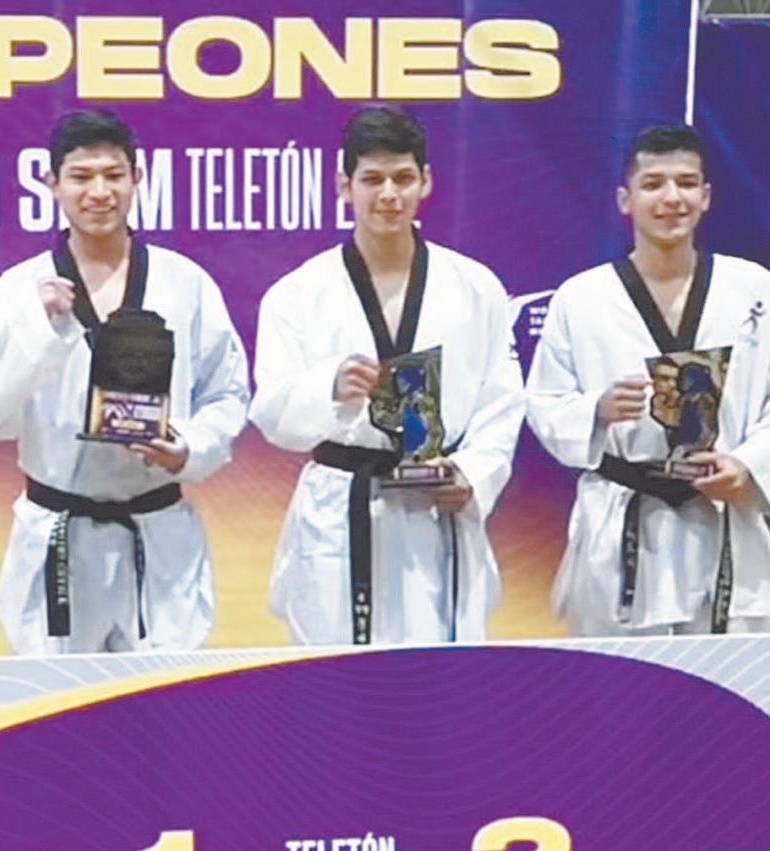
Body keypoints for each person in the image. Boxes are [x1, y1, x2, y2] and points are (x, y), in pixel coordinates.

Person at [0, 110, 248, 654]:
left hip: (156, 528)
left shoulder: (185, 283)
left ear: (138, 178)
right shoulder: (19, 290)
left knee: (163, 696)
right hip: (58, 529)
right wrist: (35, 327)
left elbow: (226, 394)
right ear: (52, 183)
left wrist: (188, 447)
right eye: (81, 177)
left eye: (113, 175)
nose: (99, 192)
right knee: (59, 697)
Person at [249, 107, 524, 645]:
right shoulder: (296, 294)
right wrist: (327, 388)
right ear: (344, 186)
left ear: (426, 182)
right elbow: (271, 412)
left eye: (403, 178)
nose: (389, 195)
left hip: (434, 501)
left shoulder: (475, 287)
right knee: (334, 675)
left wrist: (471, 474)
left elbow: (502, 402)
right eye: (372, 179)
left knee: (438, 676)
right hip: (340, 506)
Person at [527, 124, 770, 636]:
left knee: (729, 680)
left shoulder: (754, 288)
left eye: (686, 183)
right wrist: (596, 409)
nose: (671, 198)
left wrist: (747, 464)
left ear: (706, 197)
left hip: (725, 514)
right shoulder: (581, 298)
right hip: (624, 521)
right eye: (654, 184)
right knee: (624, 682)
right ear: (626, 199)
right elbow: (545, 402)